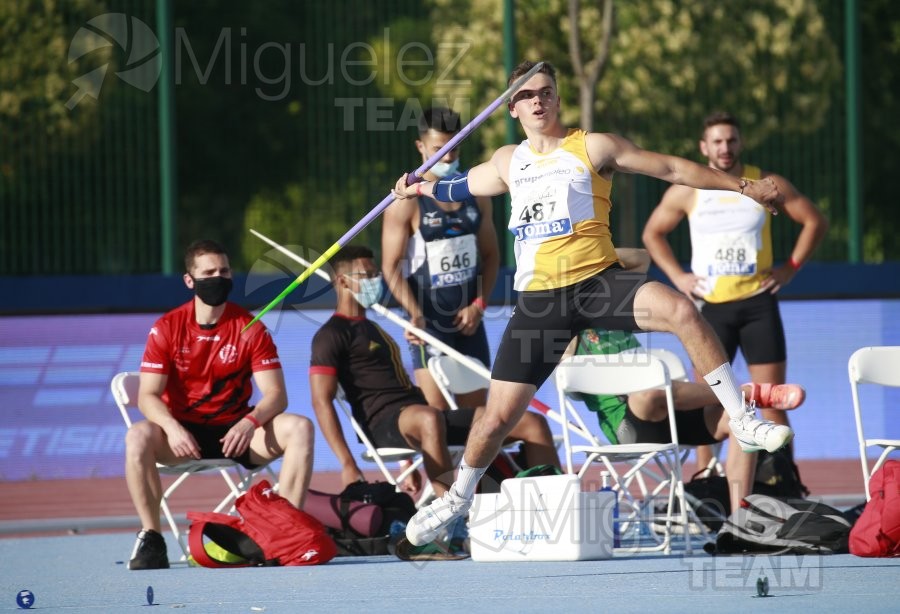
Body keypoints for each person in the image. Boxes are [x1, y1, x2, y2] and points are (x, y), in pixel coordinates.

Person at [391, 60, 794, 547]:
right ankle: (456, 500)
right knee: (495, 419)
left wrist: (744, 187)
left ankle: (744, 419)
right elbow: (457, 186)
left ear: (558, 100)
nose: (538, 100)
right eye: (527, 95)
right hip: (540, 303)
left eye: (546, 92)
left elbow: (671, 168)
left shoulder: (592, 146)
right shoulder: (506, 161)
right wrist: (417, 185)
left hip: (598, 282)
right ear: (512, 107)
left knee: (682, 311)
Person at [308, 245, 559, 535]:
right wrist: (347, 463)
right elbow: (320, 402)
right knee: (429, 418)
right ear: (342, 281)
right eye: (367, 275)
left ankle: (554, 510)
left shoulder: (377, 329)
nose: (375, 281)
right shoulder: (329, 335)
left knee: (529, 422)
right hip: (383, 422)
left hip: (419, 418)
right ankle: (449, 521)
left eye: (377, 274)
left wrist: (407, 459)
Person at [642, 111, 828, 471]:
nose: (725, 148)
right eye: (717, 141)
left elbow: (814, 221)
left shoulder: (766, 183)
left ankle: (783, 482)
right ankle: (705, 478)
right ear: (704, 147)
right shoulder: (688, 189)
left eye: (731, 140)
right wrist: (678, 277)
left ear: (741, 143)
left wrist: (790, 268)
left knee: (773, 400)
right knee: (711, 401)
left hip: (757, 304)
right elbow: (652, 233)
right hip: (709, 309)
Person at [566, 249, 805, 512]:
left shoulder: (617, 305)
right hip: (628, 425)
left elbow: (642, 258)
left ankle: (740, 521)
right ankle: (743, 392)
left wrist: (590, 254)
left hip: (669, 412)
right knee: (648, 395)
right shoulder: (566, 327)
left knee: (738, 419)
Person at [125, 239, 315, 570]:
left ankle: (284, 533)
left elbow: (276, 396)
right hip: (183, 435)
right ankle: (152, 538)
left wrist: (250, 422)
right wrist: (172, 428)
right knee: (137, 437)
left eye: (224, 271)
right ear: (190, 280)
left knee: (300, 427)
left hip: (237, 432)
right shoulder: (167, 328)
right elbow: (147, 395)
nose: (218, 277)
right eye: (208, 272)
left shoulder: (251, 328)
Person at [381, 106, 500, 411]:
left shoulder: (476, 191)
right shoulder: (405, 203)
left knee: (477, 423)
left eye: (454, 148)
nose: (448, 157)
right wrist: (414, 313)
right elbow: (390, 266)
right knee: (438, 421)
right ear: (421, 147)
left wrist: (479, 304)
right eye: (439, 150)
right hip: (428, 325)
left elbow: (490, 255)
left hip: (470, 323)